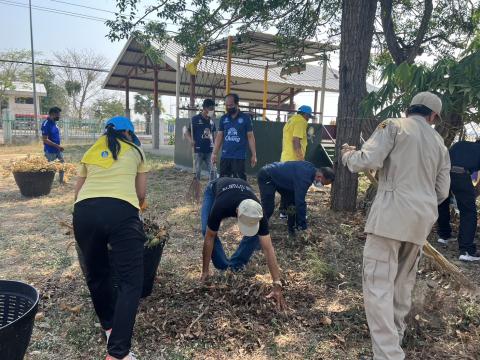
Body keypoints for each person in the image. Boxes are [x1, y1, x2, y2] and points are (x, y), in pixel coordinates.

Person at [341, 92, 450, 360]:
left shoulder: (393, 126)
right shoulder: (439, 143)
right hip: (419, 223)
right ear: (433, 116)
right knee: (402, 286)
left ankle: (389, 355)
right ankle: (395, 340)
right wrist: (419, 202)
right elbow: (442, 191)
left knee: (378, 286)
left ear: (408, 109)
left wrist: (347, 154)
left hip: (389, 219)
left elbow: (366, 161)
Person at [73, 116, 148, 360]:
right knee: (130, 281)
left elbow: (78, 191)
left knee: (97, 274)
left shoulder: (90, 151)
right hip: (121, 212)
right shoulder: (136, 151)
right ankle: (117, 353)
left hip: (83, 213)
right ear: (128, 134)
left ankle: (109, 327)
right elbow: (140, 193)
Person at [200, 177, 286, 310]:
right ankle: (223, 264)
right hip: (214, 189)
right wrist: (205, 272)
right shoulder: (221, 205)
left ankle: (234, 264)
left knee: (258, 235)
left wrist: (277, 283)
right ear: (236, 213)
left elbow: (268, 248)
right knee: (207, 230)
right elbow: (210, 237)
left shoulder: (258, 213)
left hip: (241, 191)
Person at [257, 161, 334, 235]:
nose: (322, 186)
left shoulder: (311, 169)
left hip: (283, 180)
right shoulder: (304, 178)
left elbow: (296, 200)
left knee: (292, 202)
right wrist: (304, 227)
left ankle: (291, 229)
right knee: (268, 208)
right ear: (320, 176)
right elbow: (300, 202)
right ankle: (257, 231)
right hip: (267, 175)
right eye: (323, 183)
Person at [437, 140, 480, 261]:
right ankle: (466, 250)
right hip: (461, 176)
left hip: (444, 174)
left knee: (442, 203)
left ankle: (443, 235)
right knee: (469, 212)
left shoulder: (460, 144)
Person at [278, 105, 314, 218]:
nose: (308, 119)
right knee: (297, 187)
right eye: (308, 116)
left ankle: (283, 212)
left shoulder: (290, 120)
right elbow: (295, 140)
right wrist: (301, 160)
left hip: (285, 159)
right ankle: (295, 212)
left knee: (286, 186)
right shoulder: (301, 121)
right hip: (294, 160)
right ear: (306, 115)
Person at [212, 93, 257, 180]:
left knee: (239, 181)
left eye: (231, 105)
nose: (229, 107)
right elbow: (219, 136)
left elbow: (250, 137)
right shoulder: (223, 118)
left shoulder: (245, 118)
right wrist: (214, 153)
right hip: (225, 156)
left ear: (237, 104)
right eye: (227, 105)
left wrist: (254, 155)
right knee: (223, 181)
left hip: (239, 156)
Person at [186, 99, 217, 181]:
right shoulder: (195, 119)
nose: (212, 110)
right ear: (205, 108)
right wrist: (191, 140)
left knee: (213, 171)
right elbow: (187, 132)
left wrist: (215, 149)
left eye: (213, 108)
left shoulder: (211, 122)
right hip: (198, 150)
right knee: (197, 171)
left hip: (210, 151)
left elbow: (214, 135)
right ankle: (196, 187)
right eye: (211, 108)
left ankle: (212, 187)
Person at [41, 106, 64, 183]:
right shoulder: (46, 124)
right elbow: (45, 139)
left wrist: (58, 146)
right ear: (53, 114)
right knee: (51, 168)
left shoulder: (54, 123)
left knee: (62, 165)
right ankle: (48, 183)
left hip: (58, 150)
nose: (59, 116)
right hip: (50, 151)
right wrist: (57, 146)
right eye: (58, 114)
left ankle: (61, 181)